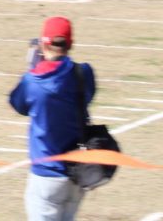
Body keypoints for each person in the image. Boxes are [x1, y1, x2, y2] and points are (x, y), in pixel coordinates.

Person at [9, 16, 97, 221]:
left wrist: (34, 68)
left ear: (42, 43)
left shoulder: (32, 81)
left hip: (46, 172)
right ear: (71, 44)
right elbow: (86, 97)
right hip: (77, 170)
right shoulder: (83, 73)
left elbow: (19, 104)